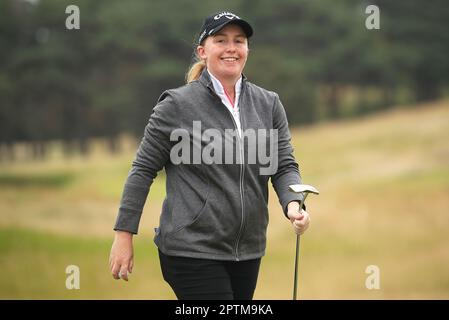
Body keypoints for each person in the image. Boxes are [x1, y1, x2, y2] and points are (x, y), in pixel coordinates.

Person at [109, 11, 311, 300]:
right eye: (221, 40)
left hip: (248, 251)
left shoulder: (269, 104)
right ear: (203, 52)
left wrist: (293, 204)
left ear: (247, 50)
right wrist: (123, 234)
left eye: (239, 41)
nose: (231, 48)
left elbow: (283, 165)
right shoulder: (176, 105)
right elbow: (142, 170)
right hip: (190, 250)